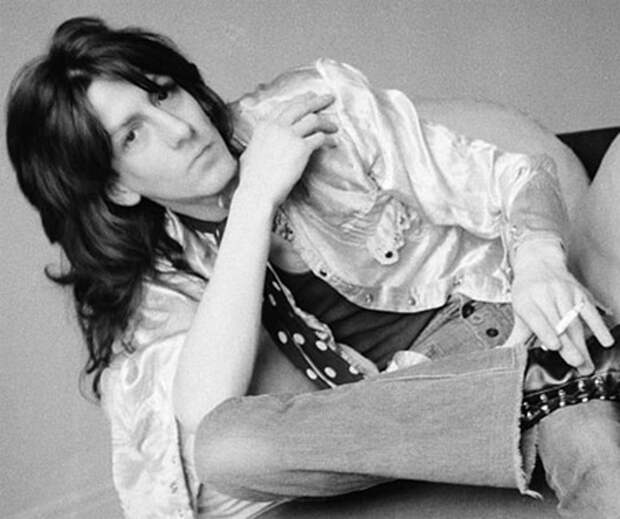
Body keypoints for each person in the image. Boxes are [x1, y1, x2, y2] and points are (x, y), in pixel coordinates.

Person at [6, 16, 620, 519]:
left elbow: (515, 175)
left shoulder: (313, 111)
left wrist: (540, 261)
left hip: (496, 332)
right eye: (132, 136)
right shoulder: (163, 271)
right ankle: (535, 388)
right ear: (116, 187)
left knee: (595, 454)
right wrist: (254, 196)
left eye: (163, 92)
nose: (180, 129)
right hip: (414, 415)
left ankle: (544, 385)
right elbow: (204, 411)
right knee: (226, 448)